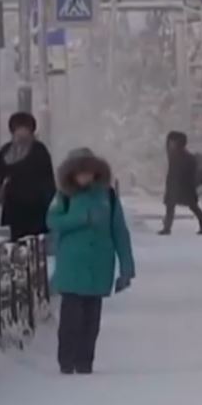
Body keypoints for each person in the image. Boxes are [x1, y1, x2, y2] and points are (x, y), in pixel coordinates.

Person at [47, 148, 136, 374]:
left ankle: (85, 361)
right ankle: (66, 361)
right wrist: (80, 219)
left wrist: (127, 267)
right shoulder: (64, 196)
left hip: (100, 265)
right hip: (72, 266)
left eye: (88, 172)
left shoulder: (108, 197)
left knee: (91, 320)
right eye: (79, 173)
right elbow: (52, 222)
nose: (84, 177)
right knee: (70, 319)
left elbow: (119, 232)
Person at [0, 111, 58, 241]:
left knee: (34, 245)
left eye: (25, 128)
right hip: (12, 208)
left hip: (36, 208)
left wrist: (51, 203)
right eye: (18, 128)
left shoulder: (39, 149)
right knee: (14, 246)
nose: (21, 132)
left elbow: (48, 179)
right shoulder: (6, 151)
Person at [160, 130, 202, 235]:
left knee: (193, 206)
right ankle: (167, 227)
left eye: (173, 142)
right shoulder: (173, 155)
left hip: (185, 186)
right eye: (170, 142)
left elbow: (189, 171)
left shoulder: (185, 156)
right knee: (170, 207)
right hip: (175, 186)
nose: (171, 145)